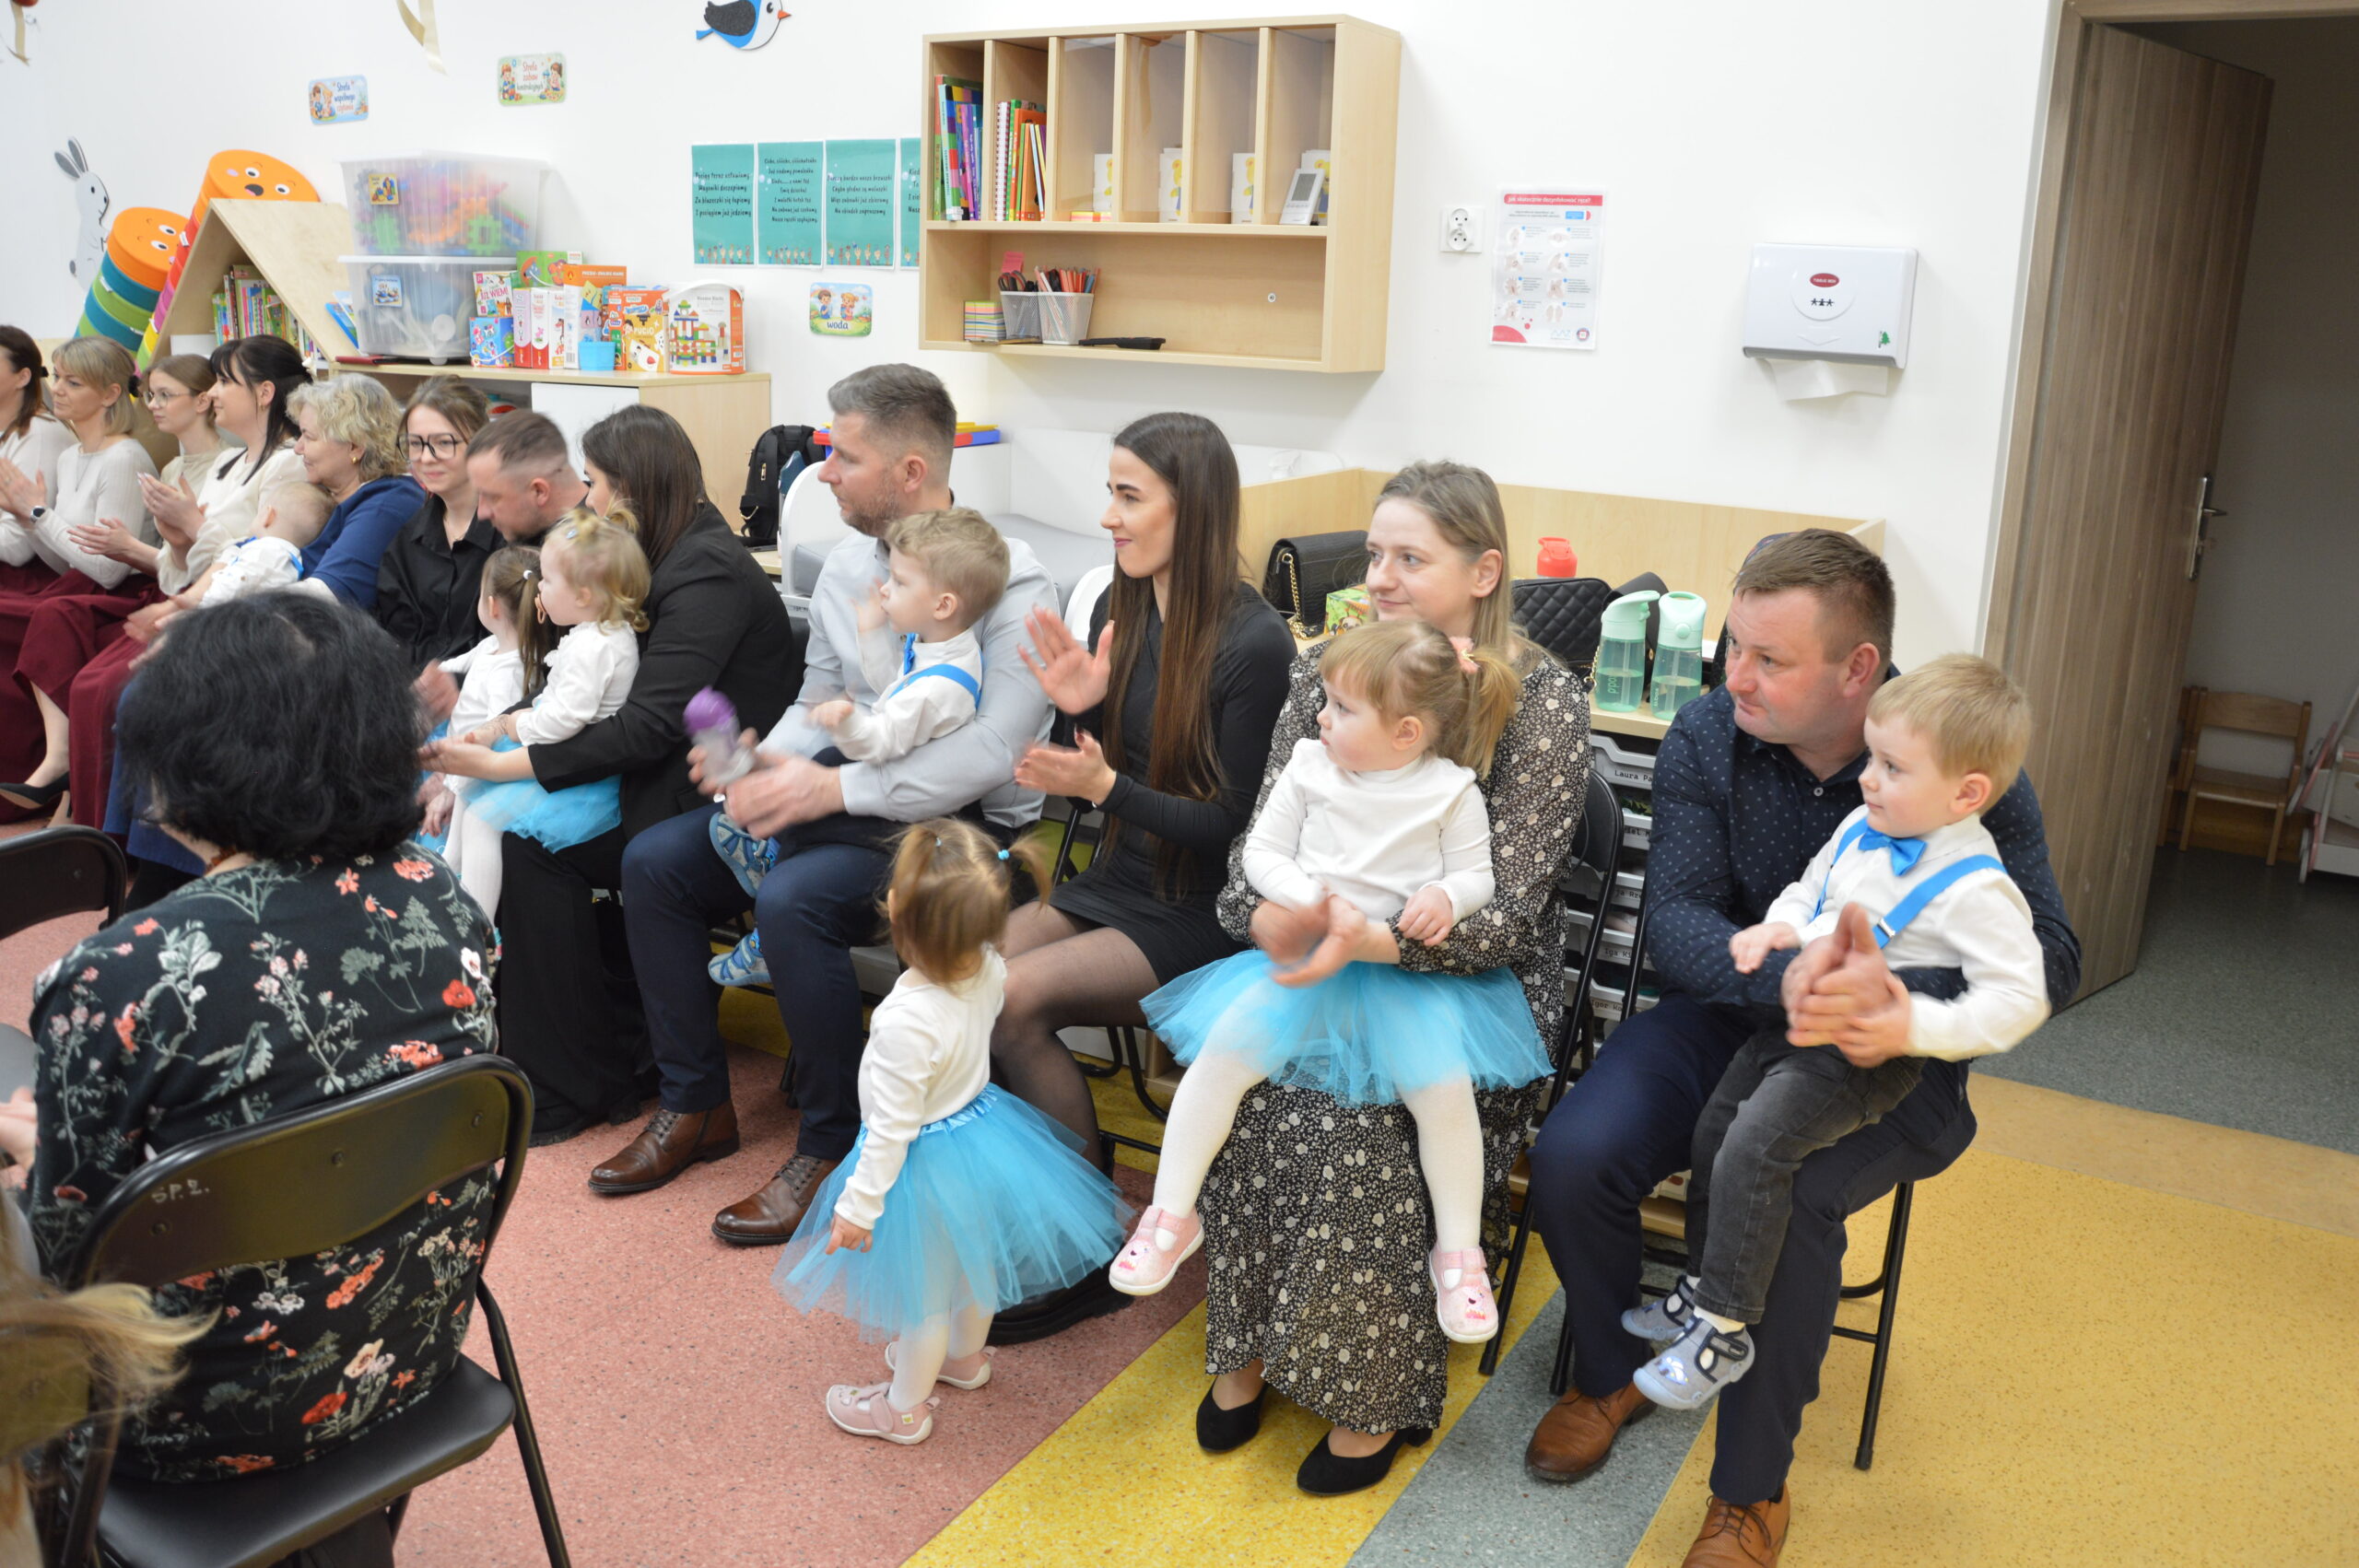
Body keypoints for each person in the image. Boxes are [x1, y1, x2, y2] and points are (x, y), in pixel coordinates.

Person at [1520, 531, 2080, 1568]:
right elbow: (1678, 919)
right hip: (1735, 1017)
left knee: (1794, 1196)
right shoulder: (1707, 733)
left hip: (1887, 1061)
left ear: (1858, 670)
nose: (1733, 676)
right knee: (1572, 1154)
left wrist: (1892, 1000)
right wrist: (1787, 979)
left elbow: (2050, 956)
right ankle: (1610, 1375)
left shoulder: (1952, 756)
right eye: (1733, 646)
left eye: (1768, 659)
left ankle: (1749, 1491)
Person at [7, 592, 499, 1519]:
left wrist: (39, 1159)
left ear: (190, 762)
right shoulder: (442, 901)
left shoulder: (124, 971)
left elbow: (72, 1261)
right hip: (410, 1343)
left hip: (178, 1416)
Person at [1196, 460, 1590, 1494]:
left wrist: (1365, 940)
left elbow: (1505, 910)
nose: (1378, 577)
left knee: (1356, 1130)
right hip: (1321, 955)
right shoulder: (1329, 670)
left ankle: (1370, 1393)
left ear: (1483, 572)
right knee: (1247, 1092)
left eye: (1409, 558)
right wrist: (1273, 918)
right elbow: (1254, 855)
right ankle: (1244, 1349)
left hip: (1465, 985)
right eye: (1374, 553)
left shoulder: (1542, 698)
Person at [592, 366, 1046, 1243]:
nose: (822, 472)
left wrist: (830, 786)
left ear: (911, 472)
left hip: (956, 831)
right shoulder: (845, 565)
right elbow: (818, 700)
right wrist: (762, 763)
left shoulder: (1007, 579)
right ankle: (696, 1104)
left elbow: (992, 753)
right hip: (848, 792)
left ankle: (833, 1145)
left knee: (794, 900)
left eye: (844, 456)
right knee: (655, 863)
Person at [1630, 654, 2049, 1415]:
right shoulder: (1866, 824)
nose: (1867, 780)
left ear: (1966, 794)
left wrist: (1912, 1022)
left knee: (1755, 1148)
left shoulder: (1978, 888)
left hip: (1863, 1059)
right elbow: (1812, 887)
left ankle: (1724, 1330)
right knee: (1714, 1130)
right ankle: (1701, 1283)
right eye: (1872, 759)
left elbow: (2022, 998)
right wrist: (1778, 930)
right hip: (1794, 1024)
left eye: (1892, 767)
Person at [1112, 617, 1544, 1342]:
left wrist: (1447, 897)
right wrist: (1313, 903)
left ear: (1406, 732)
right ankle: (1171, 1215)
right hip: (1305, 966)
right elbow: (1261, 854)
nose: (1321, 716)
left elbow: (1478, 876)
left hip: (1402, 983)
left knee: (1443, 1096)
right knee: (1221, 1060)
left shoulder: (1451, 793)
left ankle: (1459, 1256)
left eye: (1343, 707)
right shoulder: (1309, 766)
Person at [978, 412, 1296, 1340]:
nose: (1108, 517)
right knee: (960, 976)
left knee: (1012, 1000)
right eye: (1109, 493)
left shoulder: (1253, 642)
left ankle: (1082, 1254)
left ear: (1191, 509)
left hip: (1203, 908)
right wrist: (1082, 712)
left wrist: (1107, 782)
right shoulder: (1121, 608)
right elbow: (1094, 773)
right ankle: (1027, 1206)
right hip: (1118, 880)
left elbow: (1232, 826)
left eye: (1128, 496)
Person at [430, 404, 798, 1144]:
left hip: (708, 790)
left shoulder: (706, 571)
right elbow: (580, 692)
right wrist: (499, 737)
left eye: (595, 481)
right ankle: (562, 1059)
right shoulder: (658, 553)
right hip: (659, 773)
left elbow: (647, 725)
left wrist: (506, 762)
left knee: (530, 848)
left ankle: (575, 1079)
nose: (588, 497)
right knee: (510, 826)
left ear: (633, 485)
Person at [771, 821, 1130, 1445]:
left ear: (895, 913)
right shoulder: (989, 967)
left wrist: (857, 1206)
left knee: (923, 1298)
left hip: (925, 1161)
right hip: (984, 1133)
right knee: (974, 1262)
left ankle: (903, 1409)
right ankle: (964, 1358)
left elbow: (890, 1130)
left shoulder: (904, 1020)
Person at [707, 505, 1010, 986]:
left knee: (828, 772)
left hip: (914, 816)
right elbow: (892, 686)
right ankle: (768, 855)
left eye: (901, 583)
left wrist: (846, 722)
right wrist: (870, 631)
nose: (886, 589)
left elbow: (881, 741)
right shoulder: (939, 647)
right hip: (900, 790)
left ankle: (768, 897)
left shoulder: (942, 686)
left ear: (943, 605)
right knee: (827, 765)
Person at [444, 508, 648, 919]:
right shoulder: (596, 633)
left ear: (583, 596)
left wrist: (520, 724)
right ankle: (451, 869)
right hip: (561, 750)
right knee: (474, 786)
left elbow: (565, 718)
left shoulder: (594, 648)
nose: (539, 589)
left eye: (549, 581)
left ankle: (476, 926)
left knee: (485, 819)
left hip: (580, 780)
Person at [0, 337, 159, 814]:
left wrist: (38, 515)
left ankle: (54, 762)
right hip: (76, 584)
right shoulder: (71, 456)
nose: (58, 390)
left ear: (110, 394)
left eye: (73, 383)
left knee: (37, 614)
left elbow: (110, 570)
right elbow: (64, 563)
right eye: (58, 378)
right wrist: (31, 518)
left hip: (126, 591)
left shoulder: (125, 457)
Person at [419, 544, 545, 853]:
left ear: (492, 605)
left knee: (450, 848)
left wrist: (449, 788)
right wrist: (432, 676)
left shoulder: (510, 670)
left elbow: (494, 737)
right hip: (460, 756)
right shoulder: (492, 645)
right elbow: (454, 666)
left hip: (473, 776)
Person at [373, 376, 499, 671]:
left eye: (444, 443)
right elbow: (397, 641)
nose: (425, 459)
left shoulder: (513, 534)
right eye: (415, 444)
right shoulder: (406, 543)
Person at [276, 375, 422, 609]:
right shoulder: (324, 492)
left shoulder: (388, 504)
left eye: (309, 437)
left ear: (354, 446)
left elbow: (322, 597)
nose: (298, 448)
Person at [195, 479, 334, 603]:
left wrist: (205, 603)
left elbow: (234, 584)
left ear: (268, 516)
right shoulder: (292, 560)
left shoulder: (264, 551)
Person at [464, 408, 584, 544]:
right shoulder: (521, 531)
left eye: (492, 498)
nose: (482, 513)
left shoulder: (594, 551)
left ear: (539, 491)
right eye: (479, 494)